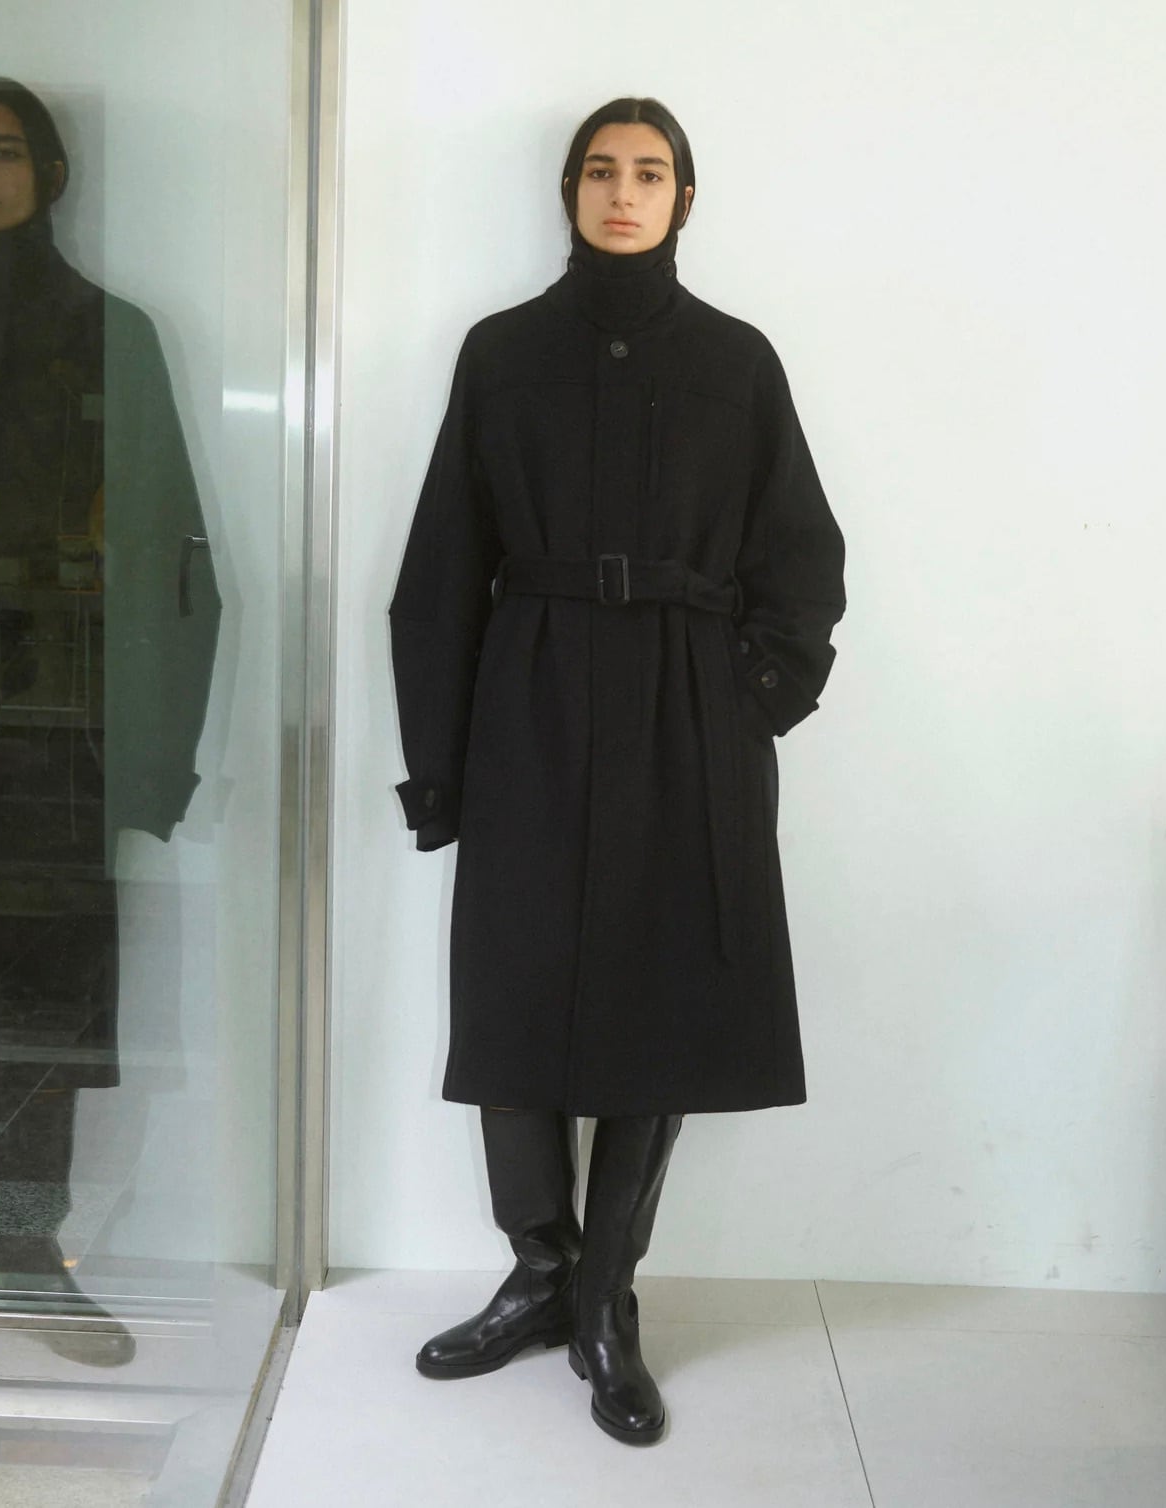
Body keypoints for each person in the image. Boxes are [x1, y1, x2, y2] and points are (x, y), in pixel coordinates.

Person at [389, 97, 845, 1444]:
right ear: (569, 192)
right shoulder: (503, 353)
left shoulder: (735, 361)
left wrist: (752, 697)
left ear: (684, 198)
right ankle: (537, 1269)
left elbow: (801, 555)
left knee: (661, 990)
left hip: (683, 710)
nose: (624, 192)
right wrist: (439, 760)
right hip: (529, 699)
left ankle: (604, 1296)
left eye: (651, 172)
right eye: (600, 170)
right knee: (513, 987)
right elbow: (442, 564)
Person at [0, 76, 220, 1364]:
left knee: (44, 1006)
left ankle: (22, 1257)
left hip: (53, 724)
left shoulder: (110, 333)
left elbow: (175, 558)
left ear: (51, 171)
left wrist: (155, 760)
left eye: (5, 150)